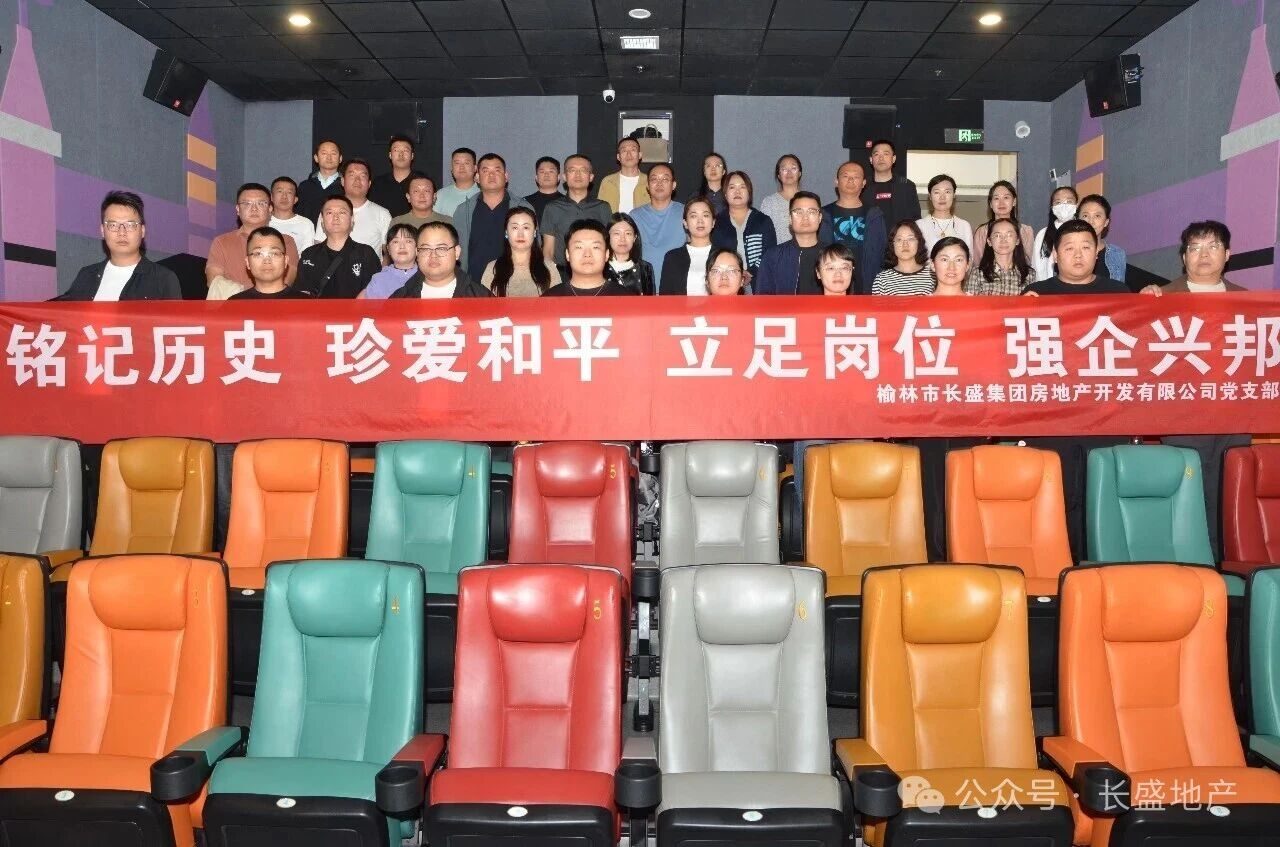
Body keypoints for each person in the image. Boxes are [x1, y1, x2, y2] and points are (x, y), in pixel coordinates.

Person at [58, 190, 181, 301]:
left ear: (142, 231)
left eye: (130, 225)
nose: (122, 232)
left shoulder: (163, 279)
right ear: (102, 231)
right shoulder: (86, 276)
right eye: (113, 225)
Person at [207, 182, 299, 300]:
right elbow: (214, 282)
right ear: (238, 209)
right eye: (247, 203)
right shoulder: (221, 242)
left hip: (276, 306)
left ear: (270, 208)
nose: (254, 208)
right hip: (233, 307)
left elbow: (287, 280)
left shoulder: (286, 241)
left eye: (261, 203)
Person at [451, 153, 533, 276]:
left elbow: (535, 249)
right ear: (477, 177)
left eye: (497, 170)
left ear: (506, 176)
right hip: (473, 283)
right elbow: (455, 251)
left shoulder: (523, 208)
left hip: (514, 281)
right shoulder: (463, 210)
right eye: (485, 171)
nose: (491, 175)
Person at [295, 195, 381, 298]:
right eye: (329, 213)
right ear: (322, 221)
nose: (335, 217)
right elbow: (302, 295)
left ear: (352, 219)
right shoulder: (309, 255)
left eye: (342, 212)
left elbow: (375, 293)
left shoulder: (366, 253)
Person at [823, 162, 887, 294]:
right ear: (836, 182)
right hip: (833, 285)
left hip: (868, 285)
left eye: (856, 177)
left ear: (863, 183)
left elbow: (882, 252)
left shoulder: (875, 214)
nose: (851, 180)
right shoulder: (824, 214)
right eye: (845, 176)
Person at [541, 153, 612, 271]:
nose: (578, 175)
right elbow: (548, 250)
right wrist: (550, 275)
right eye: (572, 170)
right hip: (561, 273)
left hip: (595, 272)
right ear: (564, 176)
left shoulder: (603, 207)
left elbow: (609, 244)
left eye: (583, 170)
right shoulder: (552, 208)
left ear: (591, 177)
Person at [1022, 219, 1130, 295]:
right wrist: (1023, 307)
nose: (1078, 255)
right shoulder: (1036, 294)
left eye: (1085, 247)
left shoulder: (1118, 292)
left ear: (1096, 252)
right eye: (1069, 248)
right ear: (1055, 254)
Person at [389, 221, 492, 299]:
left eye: (441, 248)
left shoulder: (481, 298)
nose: (433, 255)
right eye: (425, 249)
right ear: (417, 253)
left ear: (456, 252)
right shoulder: (399, 299)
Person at [312, 159, 391, 257]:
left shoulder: (382, 214)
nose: (357, 180)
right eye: (352, 175)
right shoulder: (329, 211)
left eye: (362, 176)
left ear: (369, 184)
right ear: (342, 181)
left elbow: (388, 253)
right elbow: (319, 246)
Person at [755, 192, 829, 295]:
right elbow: (763, 297)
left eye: (811, 212)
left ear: (820, 217)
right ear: (790, 218)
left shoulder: (833, 255)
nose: (805, 217)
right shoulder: (773, 256)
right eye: (799, 212)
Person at [1143, 220, 1246, 295]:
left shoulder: (1245, 299)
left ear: (1226, 255)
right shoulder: (1162, 296)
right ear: (1184, 258)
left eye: (1213, 247)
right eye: (1195, 248)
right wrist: (1144, 301)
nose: (1204, 254)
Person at [711, 171, 776, 287]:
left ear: (749, 193)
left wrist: (750, 272)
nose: (737, 191)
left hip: (759, 282)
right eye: (732, 187)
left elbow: (770, 252)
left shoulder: (763, 220)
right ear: (725, 194)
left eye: (742, 187)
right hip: (726, 282)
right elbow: (714, 254)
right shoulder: (717, 222)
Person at [543, 219, 638, 297]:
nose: (587, 254)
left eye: (595, 247)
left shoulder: (626, 298)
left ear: (607, 254)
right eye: (579, 247)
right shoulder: (549, 299)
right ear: (567, 254)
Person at [481, 207, 559, 297]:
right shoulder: (493, 268)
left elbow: (557, 303)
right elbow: (484, 303)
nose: (520, 234)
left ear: (534, 232)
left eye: (526, 227)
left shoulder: (549, 268)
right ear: (506, 232)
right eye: (515, 228)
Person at [630, 163, 685, 281]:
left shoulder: (686, 213)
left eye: (665, 179)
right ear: (648, 186)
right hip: (644, 283)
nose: (659, 183)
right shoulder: (635, 216)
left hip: (677, 283)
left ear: (673, 185)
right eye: (654, 179)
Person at [229, 227, 308, 300]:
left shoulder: (307, 303)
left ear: (285, 261)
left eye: (274, 253)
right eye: (258, 254)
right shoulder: (234, 304)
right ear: (248, 262)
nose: (267, 260)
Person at [658, 197, 716, 295]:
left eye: (705, 215)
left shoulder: (725, 255)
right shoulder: (673, 257)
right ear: (685, 223)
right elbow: (666, 298)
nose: (700, 221)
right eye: (693, 216)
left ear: (713, 222)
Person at [972, 181, 1034, 265]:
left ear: (1014, 201)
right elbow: (978, 263)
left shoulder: (1025, 231)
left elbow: (1028, 262)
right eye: (996, 198)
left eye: (1006, 197)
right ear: (990, 204)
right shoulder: (981, 232)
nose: (1001, 203)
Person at [968, 218, 1034, 296]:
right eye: (997, 235)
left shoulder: (1029, 274)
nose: (1003, 240)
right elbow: (969, 303)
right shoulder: (977, 273)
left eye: (1009, 235)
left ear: (1017, 240)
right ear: (989, 241)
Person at [862, 139, 920, 224]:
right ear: (871, 159)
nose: (881, 158)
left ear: (893, 159)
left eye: (886, 154)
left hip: (900, 232)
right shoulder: (862, 186)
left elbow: (916, 220)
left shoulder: (907, 186)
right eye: (876, 154)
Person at [360, 223, 422, 299]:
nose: (402, 246)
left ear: (417, 248)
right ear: (388, 249)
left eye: (408, 241)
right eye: (396, 242)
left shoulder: (427, 276)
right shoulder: (379, 280)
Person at [873, 220, 934, 296]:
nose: (905, 244)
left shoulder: (932, 276)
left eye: (910, 239)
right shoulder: (881, 279)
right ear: (892, 245)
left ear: (919, 242)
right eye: (899, 239)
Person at [1076, 194, 1127, 284]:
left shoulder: (1117, 253)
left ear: (1106, 222)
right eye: (1085, 216)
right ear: (1077, 220)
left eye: (1097, 216)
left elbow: (1119, 289)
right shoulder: (1067, 251)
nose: (1090, 221)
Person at [1031, 186, 1078, 281]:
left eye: (1069, 201)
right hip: (1048, 287)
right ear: (1052, 207)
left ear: (1077, 205)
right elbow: (1037, 266)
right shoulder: (1043, 234)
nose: (1064, 206)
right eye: (1058, 202)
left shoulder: (1083, 232)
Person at [919, 174, 972, 255]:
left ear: (954, 195)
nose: (942, 197)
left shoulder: (964, 225)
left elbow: (970, 258)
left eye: (947, 192)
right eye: (937, 192)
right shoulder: (919, 225)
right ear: (930, 196)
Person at [759, 154, 805, 245]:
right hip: (778, 252)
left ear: (800, 173)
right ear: (779, 175)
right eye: (784, 169)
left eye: (793, 168)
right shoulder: (769, 202)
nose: (789, 172)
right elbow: (763, 234)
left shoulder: (809, 200)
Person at [604, 213, 655, 295]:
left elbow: (651, 301)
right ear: (608, 237)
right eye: (617, 233)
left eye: (628, 233)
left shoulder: (645, 268)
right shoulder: (599, 268)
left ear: (635, 237)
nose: (622, 239)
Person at [296, 139, 344, 222]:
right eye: (324, 153)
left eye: (333, 153)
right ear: (316, 158)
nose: (329, 157)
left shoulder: (347, 186)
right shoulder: (305, 186)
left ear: (340, 158)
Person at [597, 137, 649, 214]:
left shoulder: (649, 181)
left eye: (633, 150)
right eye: (624, 150)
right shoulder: (607, 181)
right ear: (618, 157)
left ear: (640, 155)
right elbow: (599, 211)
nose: (628, 154)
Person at [369, 135, 416, 217]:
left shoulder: (422, 181)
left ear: (412, 156)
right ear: (390, 155)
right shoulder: (378, 183)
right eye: (396, 150)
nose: (401, 154)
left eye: (405, 150)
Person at [269, 176, 316, 257]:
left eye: (289, 192)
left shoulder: (306, 224)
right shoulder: (263, 221)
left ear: (295, 199)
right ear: (271, 197)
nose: (284, 196)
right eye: (280, 191)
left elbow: (307, 257)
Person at [434, 147, 479, 217]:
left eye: (466, 163)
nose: (461, 167)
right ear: (452, 169)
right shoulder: (441, 195)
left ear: (475, 168)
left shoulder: (484, 193)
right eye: (457, 163)